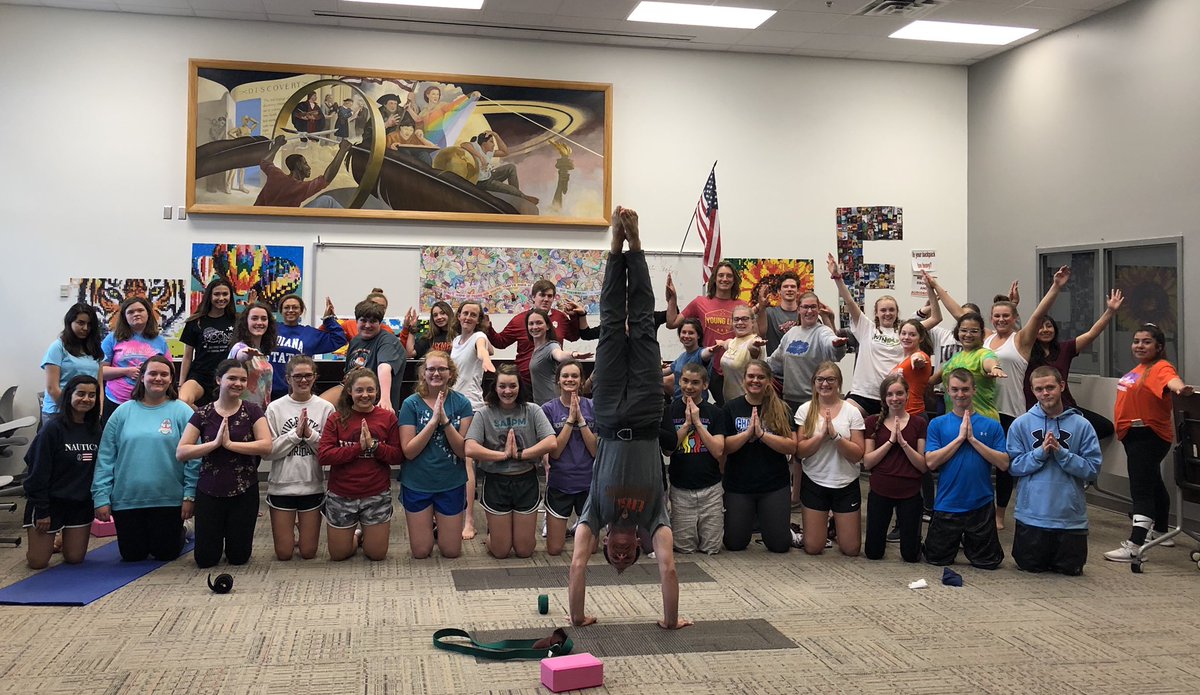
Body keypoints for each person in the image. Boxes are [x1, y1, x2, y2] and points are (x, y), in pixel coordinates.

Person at [568, 206, 691, 630]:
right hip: (642, 412)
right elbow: (670, 570)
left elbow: (578, 565)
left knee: (609, 324)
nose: (620, 554)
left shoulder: (593, 517)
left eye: (614, 555)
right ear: (639, 546)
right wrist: (670, 622)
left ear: (606, 543)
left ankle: (615, 245)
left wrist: (578, 617)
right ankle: (634, 244)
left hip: (604, 414)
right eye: (627, 556)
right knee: (640, 325)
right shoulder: (654, 520)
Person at [982, 266, 1070, 529]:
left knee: (1006, 466)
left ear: (1014, 318)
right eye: (996, 315)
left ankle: (1000, 514)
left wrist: (1055, 286)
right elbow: (961, 316)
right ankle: (983, 510)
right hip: (985, 409)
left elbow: (1039, 314)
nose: (1000, 319)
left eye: (1006, 315)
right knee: (982, 464)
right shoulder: (986, 338)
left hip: (1011, 411)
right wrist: (936, 289)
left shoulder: (1021, 339)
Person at [92, 356, 199, 562]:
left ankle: (183, 530)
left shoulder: (182, 412)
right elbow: (106, 458)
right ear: (142, 377)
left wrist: (189, 496)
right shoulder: (122, 412)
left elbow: (194, 459)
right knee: (133, 556)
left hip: (169, 500)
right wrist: (101, 497)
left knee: (165, 554)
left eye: (164, 374)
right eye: (152, 373)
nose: (158, 378)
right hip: (127, 500)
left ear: (171, 379)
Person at [1103, 324, 1194, 562]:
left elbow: (1171, 380)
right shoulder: (1139, 369)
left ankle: (1135, 545)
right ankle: (1162, 531)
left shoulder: (1160, 367)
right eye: (1136, 341)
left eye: (1146, 342)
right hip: (1135, 436)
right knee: (1152, 482)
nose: (1139, 345)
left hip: (1147, 436)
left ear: (1159, 346)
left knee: (1141, 488)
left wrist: (1180, 389)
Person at [176, 360, 272, 568]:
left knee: (239, 558)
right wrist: (214, 444)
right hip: (209, 490)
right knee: (205, 560)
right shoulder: (202, 413)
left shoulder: (253, 411)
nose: (238, 383)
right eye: (232, 378)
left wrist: (229, 444)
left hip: (244, 490)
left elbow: (266, 446)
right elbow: (182, 452)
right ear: (219, 380)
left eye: (243, 380)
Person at [1007, 366, 1102, 575]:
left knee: (1070, 572)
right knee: (1030, 569)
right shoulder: (1020, 425)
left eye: (1050, 387)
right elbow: (1013, 467)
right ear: (1032, 391)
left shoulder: (1082, 425)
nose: (1045, 393)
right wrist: (1039, 454)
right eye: (1039, 389)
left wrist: (1063, 455)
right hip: (1031, 518)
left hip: (1070, 520)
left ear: (1062, 386)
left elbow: (1092, 470)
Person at [465, 364, 557, 559]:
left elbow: (551, 441)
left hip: (526, 480)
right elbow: (470, 447)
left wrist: (521, 454)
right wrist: (503, 455)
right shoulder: (484, 413)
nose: (508, 391)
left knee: (524, 551)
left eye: (512, 386)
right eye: (502, 386)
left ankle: (509, 533)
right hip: (496, 481)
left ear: (519, 387)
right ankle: (495, 535)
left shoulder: (532, 410)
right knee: (500, 551)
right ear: (495, 388)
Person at [923, 369, 1009, 570]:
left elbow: (1004, 463)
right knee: (936, 559)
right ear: (947, 391)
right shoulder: (937, 424)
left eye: (965, 389)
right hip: (947, 504)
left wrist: (972, 440)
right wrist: (960, 439)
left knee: (988, 563)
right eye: (955, 390)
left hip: (981, 504)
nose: (960, 394)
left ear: (974, 390)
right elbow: (931, 462)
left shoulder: (992, 425)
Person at [317, 368, 403, 562]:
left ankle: (366, 534)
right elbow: (324, 456)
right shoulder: (336, 418)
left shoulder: (387, 418)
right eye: (359, 390)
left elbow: (397, 456)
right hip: (341, 494)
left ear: (377, 391)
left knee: (376, 555)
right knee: (338, 555)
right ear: (350, 391)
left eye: (370, 390)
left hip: (376, 493)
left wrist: (374, 446)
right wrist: (358, 448)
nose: (365, 395)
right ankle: (356, 535)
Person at [398, 351, 474, 559]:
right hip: (417, 483)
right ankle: (429, 527)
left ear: (451, 373)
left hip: (451, 482)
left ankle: (441, 525)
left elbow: (461, 451)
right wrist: (432, 422)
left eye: (442, 369)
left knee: (451, 552)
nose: (436, 373)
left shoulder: (462, 404)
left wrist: (445, 421)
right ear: (424, 373)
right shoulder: (410, 404)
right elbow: (409, 451)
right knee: (421, 552)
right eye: (431, 369)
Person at [22, 375, 101, 569]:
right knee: (38, 562)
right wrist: (42, 510)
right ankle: (48, 540)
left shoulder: (96, 429)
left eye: (92, 395)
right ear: (69, 396)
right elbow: (36, 471)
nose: (86, 399)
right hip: (50, 503)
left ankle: (59, 539)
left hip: (80, 503)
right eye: (81, 394)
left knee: (75, 558)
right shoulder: (52, 428)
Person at [1024, 289, 1124, 440]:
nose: (1045, 330)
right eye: (1040, 327)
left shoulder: (1065, 348)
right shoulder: (1025, 352)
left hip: (1066, 408)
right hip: (1037, 410)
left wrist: (1110, 311)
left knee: (1106, 428)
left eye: (1049, 326)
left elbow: (1091, 334)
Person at [264, 355, 334, 561]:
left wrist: (310, 436)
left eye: (308, 376)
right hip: (281, 486)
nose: (303, 380)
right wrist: (295, 435)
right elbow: (268, 452)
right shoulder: (275, 408)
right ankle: (289, 532)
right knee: (284, 554)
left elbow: (329, 453)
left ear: (315, 378)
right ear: (288, 379)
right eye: (298, 376)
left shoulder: (325, 408)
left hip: (312, 486)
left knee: (308, 553)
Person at [723, 359, 795, 554]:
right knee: (735, 544)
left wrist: (762, 435)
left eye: (761, 377)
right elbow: (725, 447)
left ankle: (788, 531)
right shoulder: (731, 408)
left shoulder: (781, 408)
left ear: (769, 380)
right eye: (751, 376)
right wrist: (747, 435)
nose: (755, 380)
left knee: (780, 546)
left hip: (773, 485)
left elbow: (791, 445)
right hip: (739, 485)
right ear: (744, 379)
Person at [794, 362, 866, 556]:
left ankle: (836, 525)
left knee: (851, 550)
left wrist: (835, 436)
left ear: (839, 383)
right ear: (814, 382)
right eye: (820, 379)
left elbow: (858, 454)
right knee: (813, 548)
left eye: (830, 379)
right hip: (815, 480)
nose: (825, 384)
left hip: (846, 482)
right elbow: (800, 452)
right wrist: (821, 436)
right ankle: (826, 525)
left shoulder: (851, 412)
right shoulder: (805, 410)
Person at [660, 362, 726, 555]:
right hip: (681, 489)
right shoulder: (669, 411)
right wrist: (687, 424)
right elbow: (668, 451)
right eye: (686, 381)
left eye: (695, 383)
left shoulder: (715, 412)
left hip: (711, 489)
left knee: (712, 548)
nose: (689, 387)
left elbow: (718, 451)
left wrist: (697, 422)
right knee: (684, 548)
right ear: (679, 381)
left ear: (705, 385)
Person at [826, 253, 904, 417]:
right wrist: (837, 277)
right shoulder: (866, 327)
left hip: (892, 395)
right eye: (883, 310)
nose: (887, 313)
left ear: (897, 313)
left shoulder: (904, 332)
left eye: (891, 310)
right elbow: (850, 302)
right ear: (876, 313)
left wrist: (932, 292)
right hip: (863, 394)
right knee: (840, 421)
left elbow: (933, 319)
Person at [862, 374, 928, 562]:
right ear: (884, 398)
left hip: (910, 492)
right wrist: (891, 441)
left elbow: (922, 465)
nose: (895, 398)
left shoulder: (919, 423)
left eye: (899, 393)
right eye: (890, 394)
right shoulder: (873, 422)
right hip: (881, 490)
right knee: (873, 553)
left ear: (907, 395)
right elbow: (868, 462)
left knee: (911, 555)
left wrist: (904, 443)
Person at [665, 260, 745, 406]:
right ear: (714, 279)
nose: (725, 279)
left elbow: (753, 334)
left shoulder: (742, 305)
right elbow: (672, 323)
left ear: (734, 280)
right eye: (721, 275)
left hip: (734, 366)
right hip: (709, 367)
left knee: (731, 407)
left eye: (729, 276)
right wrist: (672, 299)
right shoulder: (700, 302)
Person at [541, 359, 597, 556]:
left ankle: (579, 527)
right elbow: (554, 452)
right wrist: (570, 420)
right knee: (555, 549)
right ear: (558, 380)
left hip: (588, 484)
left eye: (575, 376)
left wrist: (581, 420)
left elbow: (595, 451)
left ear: (581, 380)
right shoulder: (548, 409)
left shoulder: (592, 407)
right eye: (565, 376)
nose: (570, 379)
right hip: (560, 483)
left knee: (589, 550)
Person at [449, 299, 494, 540]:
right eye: (465, 313)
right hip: (452, 404)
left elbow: (483, 348)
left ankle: (469, 521)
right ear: (458, 316)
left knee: (467, 463)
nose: (468, 317)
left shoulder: (478, 336)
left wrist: (485, 358)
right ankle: (454, 514)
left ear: (478, 320)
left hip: (471, 407)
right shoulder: (456, 341)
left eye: (473, 315)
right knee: (455, 463)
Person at [487, 280, 581, 390]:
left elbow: (574, 337)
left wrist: (574, 317)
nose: (546, 299)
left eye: (549, 296)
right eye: (542, 295)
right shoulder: (520, 320)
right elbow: (501, 342)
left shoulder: (560, 317)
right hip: (526, 381)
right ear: (533, 297)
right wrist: (488, 328)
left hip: (552, 380)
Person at [766, 291, 847, 413]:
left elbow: (832, 348)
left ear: (818, 309)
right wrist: (753, 359)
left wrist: (837, 345)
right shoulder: (791, 334)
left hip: (814, 401)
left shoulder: (822, 331)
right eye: (805, 307)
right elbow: (774, 363)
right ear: (798, 309)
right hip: (788, 401)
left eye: (813, 307)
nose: (809, 311)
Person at [101, 296, 169, 424]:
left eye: (140, 310)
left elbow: (169, 371)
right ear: (124, 317)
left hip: (149, 402)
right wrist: (126, 371)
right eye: (130, 312)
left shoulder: (160, 341)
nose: (136, 314)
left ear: (148, 313)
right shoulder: (112, 339)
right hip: (116, 401)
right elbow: (100, 372)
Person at [269, 294, 347, 401]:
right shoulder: (270, 330)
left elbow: (339, 339)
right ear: (281, 311)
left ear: (301, 311)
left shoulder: (310, 333)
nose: (291, 310)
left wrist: (328, 319)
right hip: (269, 392)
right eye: (287, 307)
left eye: (295, 307)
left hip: (298, 393)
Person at [931, 312, 1006, 421]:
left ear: (982, 333)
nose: (968, 335)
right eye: (964, 330)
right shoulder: (955, 358)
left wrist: (995, 368)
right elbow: (932, 381)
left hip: (982, 421)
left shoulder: (983, 354)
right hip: (954, 421)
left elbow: (989, 362)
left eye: (974, 331)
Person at [337, 298, 406, 412]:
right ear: (357, 321)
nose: (368, 325)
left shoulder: (387, 341)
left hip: (376, 406)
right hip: (353, 405)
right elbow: (348, 375)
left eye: (373, 321)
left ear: (380, 323)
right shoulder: (355, 341)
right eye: (363, 320)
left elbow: (384, 368)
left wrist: (384, 399)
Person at [180, 279, 237, 408]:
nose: (221, 298)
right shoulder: (195, 322)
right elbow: (187, 356)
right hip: (200, 376)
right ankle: (202, 416)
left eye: (225, 294)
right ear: (209, 296)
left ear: (230, 296)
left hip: (227, 376)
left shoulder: (237, 321)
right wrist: (181, 383)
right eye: (216, 294)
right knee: (182, 400)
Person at [41, 303, 103, 421]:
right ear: (70, 322)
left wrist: (98, 412)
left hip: (87, 413)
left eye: (89, 324)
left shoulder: (95, 349)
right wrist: (73, 413)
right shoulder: (58, 347)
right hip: (58, 412)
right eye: (80, 323)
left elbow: (99, 386)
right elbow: (52, 388)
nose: (85, 328)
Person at [254, 135, 353, 208]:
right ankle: (353, 227)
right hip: (285, 225)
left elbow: (265, 161)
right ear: (298, 165)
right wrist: (342, 151)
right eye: (305, 163)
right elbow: (327, 178)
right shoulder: (299, 187)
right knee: (327, 201)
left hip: (258, 220)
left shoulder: (276, 175)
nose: (309, 167)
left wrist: (277, 144)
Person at [528, 308, 592, 405]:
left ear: (548, 326)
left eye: (539, 323)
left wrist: (573, 354)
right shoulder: (536, 348)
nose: (535, 327)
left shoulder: (551, 346)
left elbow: (560, 355)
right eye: (531, 323)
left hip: (552, 404)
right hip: (540, 404)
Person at [462, 130, 539, 204]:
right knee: (509, 189)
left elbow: (505, 152)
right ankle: (522, 197)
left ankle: (516, 195)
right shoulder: (477, 147)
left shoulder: (489, 153)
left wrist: (496, 135)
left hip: (489, 176)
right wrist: (480, 157)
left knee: (511, 167)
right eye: (491, 142)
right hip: (482, 183)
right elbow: (464, 144)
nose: (494, 145)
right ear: (484, 143)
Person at [227, 302, 278, 408]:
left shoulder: (262, 352)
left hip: (260, 412)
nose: (259, 322)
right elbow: (241, 356)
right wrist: (247, 355)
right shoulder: (239, 347)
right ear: (246, 322)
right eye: (254, 318)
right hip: (240, 411)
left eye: (264, 319)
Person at [717, 304, 766, 402]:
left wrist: (755, 346)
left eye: (744, 319)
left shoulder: (754, 340)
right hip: (729, 403)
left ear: (752, 322)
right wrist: (721, 343)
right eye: (736, 319)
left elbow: (752, 348)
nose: (740, 322)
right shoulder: (733, 341)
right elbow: (727, 343)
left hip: (748, 402)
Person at [663, 318, 714, 402]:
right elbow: (663, 372)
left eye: (691, 333)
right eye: (684, 332)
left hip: (697, 405)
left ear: (698, 335)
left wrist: (713, 349)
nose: (686, 336)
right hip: (679, 405)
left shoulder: (701, 354)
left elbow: (706, 353)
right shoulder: (681, 357)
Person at [892, 319, 934, 417]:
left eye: (912, 335)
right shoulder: (902, 359)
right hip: (900, 413)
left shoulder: (920, 355)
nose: (906, 337)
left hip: (914, 413)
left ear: (921, 338)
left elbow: (918, 358)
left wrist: (917, 361)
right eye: (903, 333)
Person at [755, 272, 801, 355]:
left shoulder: (805, 314)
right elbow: (760, 333)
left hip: (798, 365)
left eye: (793, 287)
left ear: (798, 291)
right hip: (774, 366)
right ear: (779, 291)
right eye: (785, 286)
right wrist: (761, 306)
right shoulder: (769, 313)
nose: (789, 289)